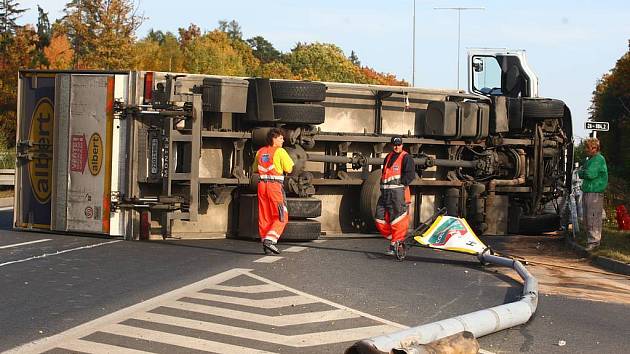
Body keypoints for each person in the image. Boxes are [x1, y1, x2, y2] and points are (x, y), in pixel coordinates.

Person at [252, 128, 294, 254]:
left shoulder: (260, 152)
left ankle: (266, 242)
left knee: (265, 216)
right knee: (282, 215)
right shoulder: (280, 151)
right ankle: (270, 241)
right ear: (274, 139)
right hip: (275, 187)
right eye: (281, 138)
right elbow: (289, 168)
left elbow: (255, 169)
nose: (283, 140)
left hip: (262, 186)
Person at [375, 136, 416, 255]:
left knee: (398, 219)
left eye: (398, 144)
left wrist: (401, 185)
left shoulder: (406, 157)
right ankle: (395, 238)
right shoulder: (388, 157)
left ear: (402, 145)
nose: (396, 147)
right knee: (379, 217)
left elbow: (410, 175)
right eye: (394, 144)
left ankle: (395, 244)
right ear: (391, 145)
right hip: (385, 193)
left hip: (398, 193)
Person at [578, 137, 608, 251]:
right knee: (587, 217)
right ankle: (591, 240)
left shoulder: (598, 159)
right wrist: (583, 171)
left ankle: (594, 242)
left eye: (587, 147)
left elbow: (589, 174)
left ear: (594, 148)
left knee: (593, 217)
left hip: (595, 191)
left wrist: (582, 172)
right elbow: (583, 172)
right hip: (589, 190)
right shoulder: (591, 159)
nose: (586, 150)